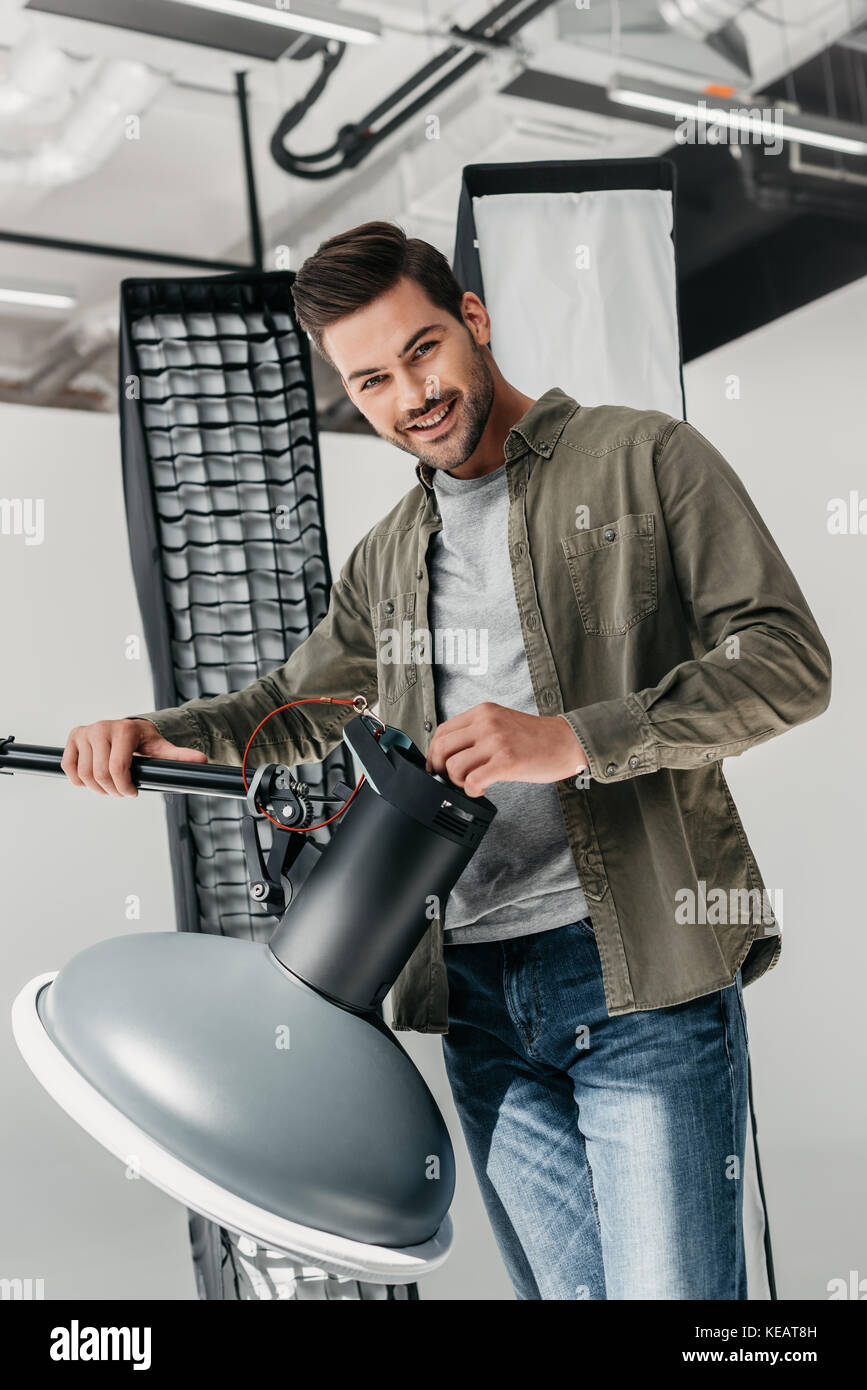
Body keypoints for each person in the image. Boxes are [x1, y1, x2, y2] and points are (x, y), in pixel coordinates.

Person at [62, 221, 831, 1299]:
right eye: (370, 379)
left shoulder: (646, 459)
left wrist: (573, 738)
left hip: (639, 982)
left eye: (422, 349)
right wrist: (155, 732)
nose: (408, 395)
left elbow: (789, 662)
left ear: (473, 319)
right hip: (476, 1000)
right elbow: (289, 706)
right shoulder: (387, 558)